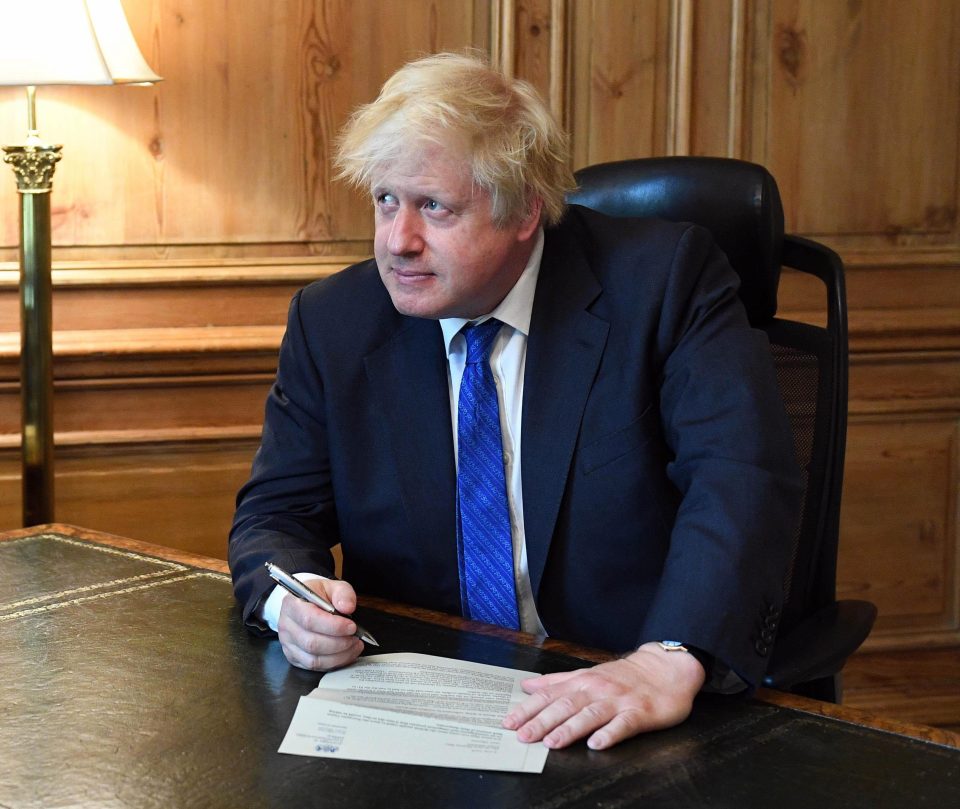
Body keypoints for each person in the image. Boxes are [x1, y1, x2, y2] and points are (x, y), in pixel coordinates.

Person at [229, 51, 802, 751]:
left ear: (525, 210)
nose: (396, 241)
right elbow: (276, 511)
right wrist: (297, 600)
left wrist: (671, 654)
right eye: (385, 200)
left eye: (433, 207)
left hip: (619, 695)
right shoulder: (335, 321)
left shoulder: (664, 284)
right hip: (425, 716)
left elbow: (739, 478)